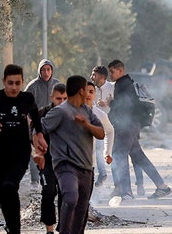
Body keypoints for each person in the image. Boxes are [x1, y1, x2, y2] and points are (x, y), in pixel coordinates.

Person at [0, 64, 47, 234]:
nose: (14, 87)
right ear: (4, 81)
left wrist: (39, 134)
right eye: (10, 83)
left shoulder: (27, 98)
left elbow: (35, 115)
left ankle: (14, 229)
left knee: (10, 186)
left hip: (19, 153)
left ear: (22, 82)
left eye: (17, 83)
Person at [41, 75, 105, 234]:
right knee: (70, 198)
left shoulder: (87, 111)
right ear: (80, 90)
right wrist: (37, 147)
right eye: (86, 90)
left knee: (81, 211)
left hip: (86, 168)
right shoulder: (60, 112)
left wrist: (86, 124)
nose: (89, 93)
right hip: (65, 165)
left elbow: (101, 133)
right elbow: (38, 128)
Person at [107, 59, 171, 203]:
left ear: (120, 71)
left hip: (127, 127)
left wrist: (111, 104)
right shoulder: (126, 83)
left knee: (119, 155)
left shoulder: (123, 84)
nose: (110, 74)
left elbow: (125, 106)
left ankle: (126, 192)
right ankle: (162, 186)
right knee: (138, 157)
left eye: (112, 71)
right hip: (131, 126)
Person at [25, 59, 62, 188]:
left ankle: (52, 177)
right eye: (43, 70)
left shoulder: (57, 84)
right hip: (36, 123)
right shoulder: (33, 86)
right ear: (39, 71)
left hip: (54, 123)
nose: (46, 72)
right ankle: (35, 179)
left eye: (48, 69)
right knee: (36, 149)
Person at [36, 83, 67, 234]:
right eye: (58, 98)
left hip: (67, 162)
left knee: (65, 194)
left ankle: (64, 227)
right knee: (48, 191)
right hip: (47, 161)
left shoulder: (73, 114)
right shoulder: (42, 114)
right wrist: (37, 154)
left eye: (65, 98)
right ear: (51, 98)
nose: (61, 102)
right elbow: (32, 137)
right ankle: (49, 229)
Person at [90, 65, 114, 186]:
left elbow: (119, 104)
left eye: (94, 75)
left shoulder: (112, 87)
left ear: (102, 77)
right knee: (97, 149)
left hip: (111, 124)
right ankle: (102, 173)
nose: (92, 77)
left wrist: (108, 104)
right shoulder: (92, 89)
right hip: (96, 125)